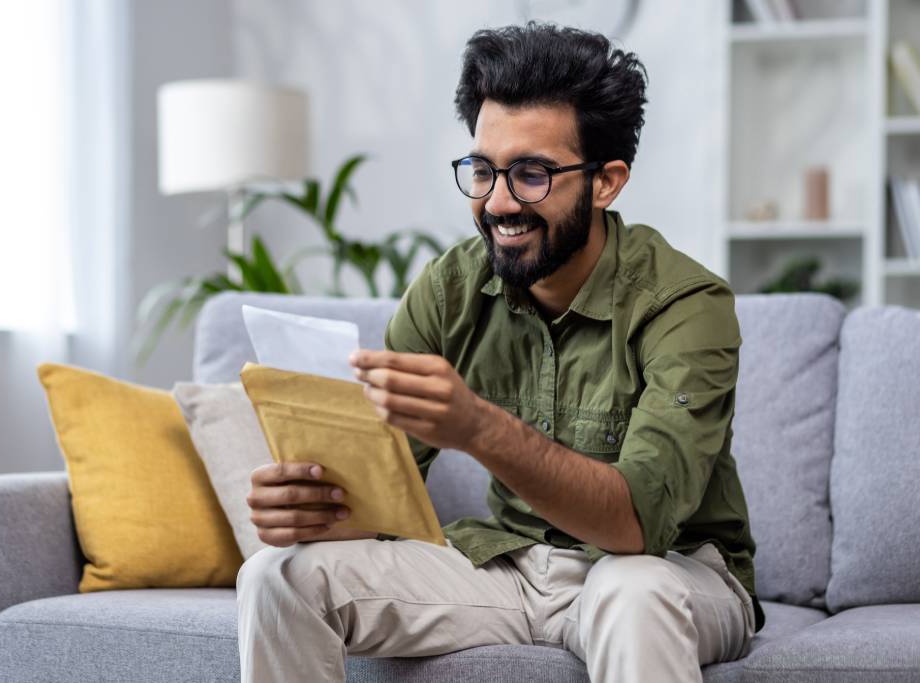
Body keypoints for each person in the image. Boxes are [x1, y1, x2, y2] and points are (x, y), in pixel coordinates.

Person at [236, 21, 763, 683]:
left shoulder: (685, 304)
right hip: (509, 568)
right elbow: (387, 482)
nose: (499, 202)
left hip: (671, 570)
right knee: (279, 575)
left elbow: (638, 524)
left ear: (606, 182)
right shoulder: (453, 286)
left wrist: (479, 427)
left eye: (532, 174)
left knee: (633, 593)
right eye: (483, 170)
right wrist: (311, 504)